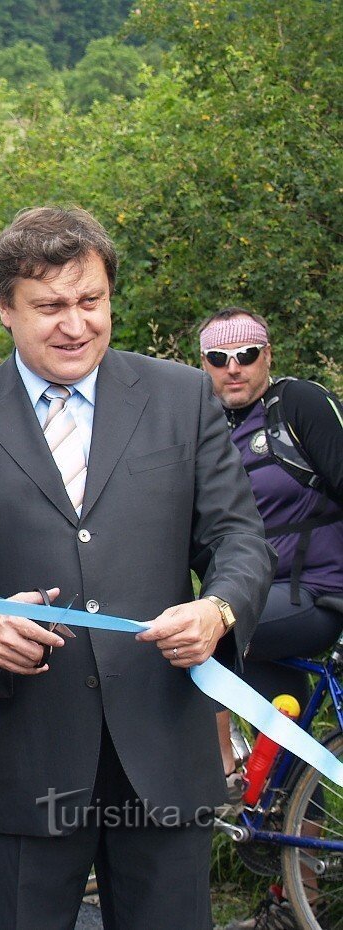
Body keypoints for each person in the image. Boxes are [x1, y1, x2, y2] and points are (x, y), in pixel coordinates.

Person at [0, 205, 275, 929]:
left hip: (162, 756)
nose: (75, 323)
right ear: (5, 309)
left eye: (90, 301)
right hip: (23, 763)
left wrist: (217, 610)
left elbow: (239, 539)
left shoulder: (182, 397)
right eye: (50, 306)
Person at [198, 308, 343, 930]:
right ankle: (289, 898)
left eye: (247, 354)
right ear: (202, 366)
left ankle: (221, 777)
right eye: (218, 358)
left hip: (315, 593)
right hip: (264, 603)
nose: (234, 368)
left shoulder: (298, 406)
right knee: (294, 745)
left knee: (192, 646)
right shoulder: (202, 428)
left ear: (268, 356)